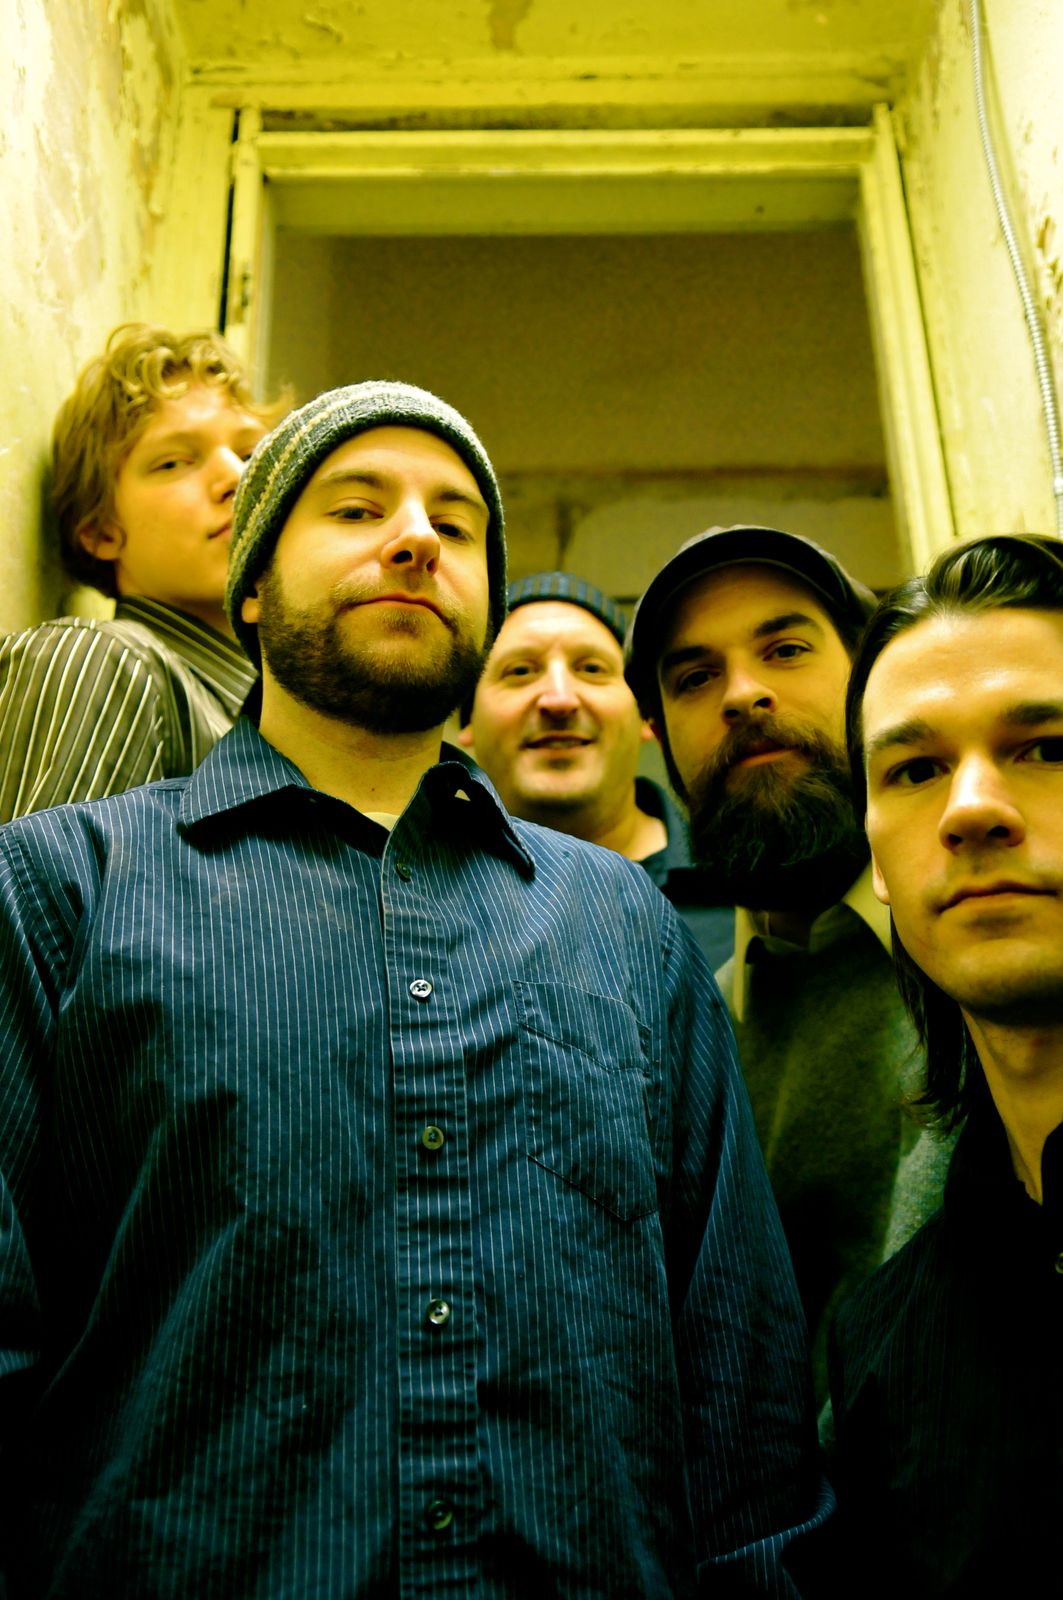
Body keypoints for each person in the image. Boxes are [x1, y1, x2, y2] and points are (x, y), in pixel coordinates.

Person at [0, 383, 830, 1597]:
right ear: (251, 584)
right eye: (355, 508)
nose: (413, 539)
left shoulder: (623, 927)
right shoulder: (56, 890)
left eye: (455, 521)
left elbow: (737, 1382)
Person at [624, 525, 945, 1395]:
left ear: (868, 680)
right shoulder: (691, 1034)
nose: (742, 693)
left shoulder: (992, 954)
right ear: (658, 735)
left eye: (785, 649)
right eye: (695, 677)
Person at [829, 532, 1063, 1595]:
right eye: (915, 770)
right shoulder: (882, 1348)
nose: (969, 809)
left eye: (1044, 748)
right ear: (877, 855)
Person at [0, 322, 283, 821]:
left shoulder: (280, 726)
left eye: (250, 454)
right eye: (173, 463)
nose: (237, 477)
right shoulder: (101, 663)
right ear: (101, 532)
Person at [460, 570, 733, 966]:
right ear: (467, 721)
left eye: (591, 669)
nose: (558, 699)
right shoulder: (416, 898)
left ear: (646, 715)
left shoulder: (749, 891)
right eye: (520, 671)